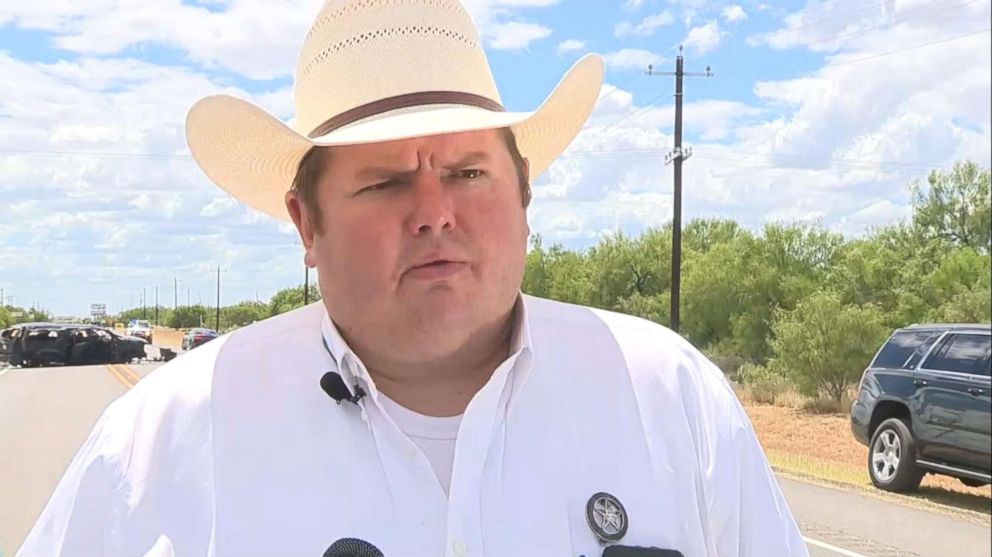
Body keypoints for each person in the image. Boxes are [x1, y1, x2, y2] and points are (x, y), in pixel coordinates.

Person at [17, 1, 808, 556]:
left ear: (524, 196)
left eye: (467, 170)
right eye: (385, 181)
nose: (434, 212)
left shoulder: (672, 400)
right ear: (306, 224)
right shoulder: (160, 444)